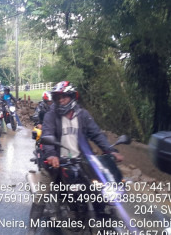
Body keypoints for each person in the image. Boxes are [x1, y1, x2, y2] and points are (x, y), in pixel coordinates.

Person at [27, 81, 123, 235]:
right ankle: (32, 228)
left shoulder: (83, 115)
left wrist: (110, 150)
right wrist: (51, 155)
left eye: (64, 97)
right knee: (42, 193)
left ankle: (98, 216)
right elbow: (48, 135)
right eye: (58, 97)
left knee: (99, 190)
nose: (61, 100)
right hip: (58, 162)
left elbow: (96, 134)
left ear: (72, 97)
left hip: (82, 161)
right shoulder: (51, 115)